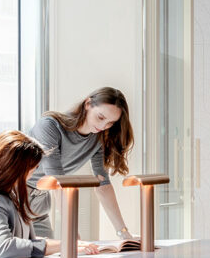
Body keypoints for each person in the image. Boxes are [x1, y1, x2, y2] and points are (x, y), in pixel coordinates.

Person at [0, 130, 99, 258]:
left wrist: (69, 244)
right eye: (33, 168)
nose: (35, 172)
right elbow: (0, 248)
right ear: (13, 169)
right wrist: (64, 245)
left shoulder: (9, 196)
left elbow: (25, 240)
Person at [28, 87, 135, 239]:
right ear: (88, 104)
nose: (104, 126)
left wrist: (124, 234)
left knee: (45, 257)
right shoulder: (50, 126)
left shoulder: (98, 139)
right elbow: (57, 182)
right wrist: (72, 232)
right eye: (100, 117)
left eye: (111, 123)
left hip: (39, 205)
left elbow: (103, 186)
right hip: (10, 197)